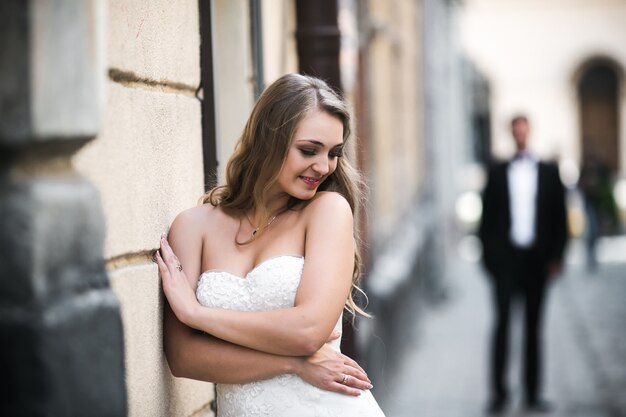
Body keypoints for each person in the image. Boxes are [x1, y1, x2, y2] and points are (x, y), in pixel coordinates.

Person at [154, 73, 386, 416]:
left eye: (333, 153)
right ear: (269, 140)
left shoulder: (327, 211)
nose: (323, 166)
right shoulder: (192, 226)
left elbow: (308, 331)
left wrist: (196, 314)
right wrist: (295, 365)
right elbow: (184, 357)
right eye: (308, 150)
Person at [478, 115, 568, 414]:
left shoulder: (549, 172)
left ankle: (532, 394)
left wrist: (557, 258)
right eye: (515, 130)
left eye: (524, 129)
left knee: (533, 327)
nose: (520, 134)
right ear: (511, 134)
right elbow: (486, 219)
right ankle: (499, 394)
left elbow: (560, 219)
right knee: (502, 326)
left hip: (537, 262)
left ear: (529, 132)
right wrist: (490, 259)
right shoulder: (497, 171)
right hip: (506, 261)